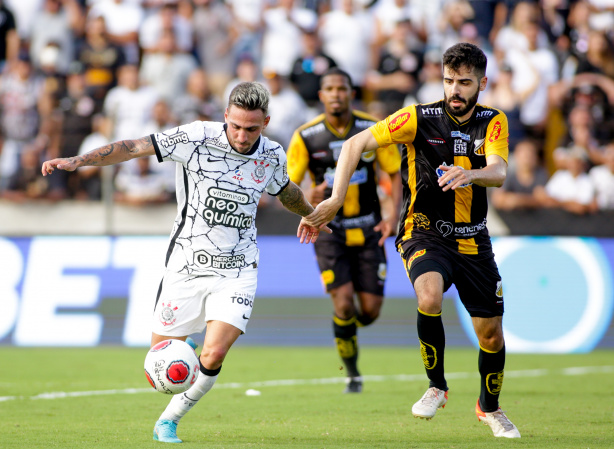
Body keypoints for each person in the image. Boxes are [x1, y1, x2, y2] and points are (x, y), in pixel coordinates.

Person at [41, 82, 329, 444]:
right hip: (186, 266)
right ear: (225, 115)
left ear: (266, 122)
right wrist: (78, 160)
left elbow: (286, 190)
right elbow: (133, 148)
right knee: (160, 360)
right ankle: (187, 352)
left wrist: (311, 214)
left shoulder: (271, 155)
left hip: (238, 268)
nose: (242, 136)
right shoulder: (195, 137)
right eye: (236, 126)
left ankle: (169, 422)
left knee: (215, 351)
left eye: (251, 129)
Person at [299, 43, 521, 438]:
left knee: (491, 334)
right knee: (429, 297)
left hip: (473, 240)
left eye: (465, 82)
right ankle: (437, 386)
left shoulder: (493, 121)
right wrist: (335, 196)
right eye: (449, 80)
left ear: (482, 83)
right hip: (424, 232)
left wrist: (471, 175)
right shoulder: (418, 118)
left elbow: (499, 170)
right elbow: (355, 144)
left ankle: (490, 407)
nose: (455, 89)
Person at [287, 67, 401, 393]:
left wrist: (393, 215)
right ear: (321, 95)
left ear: (352, 93)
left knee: (370, 312)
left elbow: (394, 171)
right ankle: (352, 373)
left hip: (369, 229)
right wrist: (306, 198)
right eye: (330, 89)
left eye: (342, 88)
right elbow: (289, 184)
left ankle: (346, 328)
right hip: (328, 231)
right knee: (344, 304)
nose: (336, 94)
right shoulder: (306, 136)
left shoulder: (372, 129)